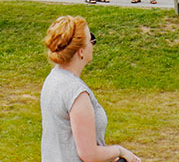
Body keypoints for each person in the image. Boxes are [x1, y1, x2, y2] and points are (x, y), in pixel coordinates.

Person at [41, 15, 140, 162]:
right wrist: (119, 151)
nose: (93, 44)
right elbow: (89, 154)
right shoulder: (76, 93)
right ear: (80, 51)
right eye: (91, 39)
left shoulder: (53, 78)